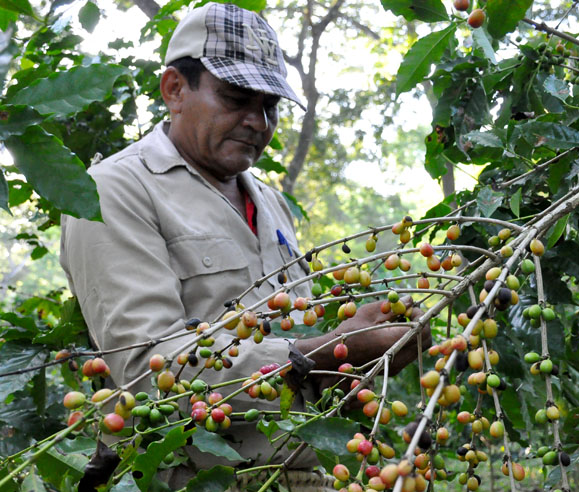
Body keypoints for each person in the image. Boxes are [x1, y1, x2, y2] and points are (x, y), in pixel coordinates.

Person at [60, 3, 430, 489]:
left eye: (269, 106)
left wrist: (359, 354)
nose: (258, 122)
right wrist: (320, 352)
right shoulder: (116, 191)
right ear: (174, 89)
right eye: (235, 98)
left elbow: (299, 367)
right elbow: (148, 370)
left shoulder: (271, 203)